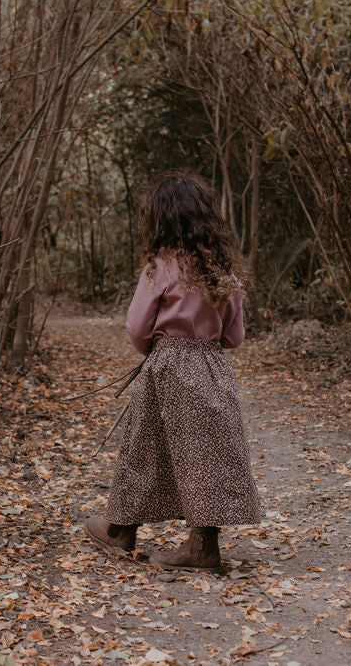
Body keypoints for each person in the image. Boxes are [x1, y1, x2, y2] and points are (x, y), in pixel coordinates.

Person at [83, 171, 263, 571]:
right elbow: (235, 336)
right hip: (212, 367)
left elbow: (137, 328)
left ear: (161, 220)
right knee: (206, 452)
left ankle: (121, 531)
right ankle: (202, 543)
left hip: (168, 367)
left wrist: (159, 348)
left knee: (143, 447)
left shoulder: (161, 268)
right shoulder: (224, 273)